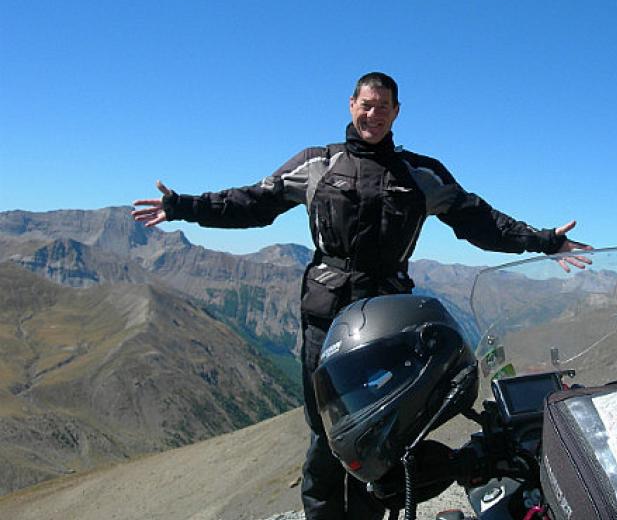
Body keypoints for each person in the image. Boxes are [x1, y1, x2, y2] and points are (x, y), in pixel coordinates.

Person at [131, 71, 587, 520]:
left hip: (386, 326)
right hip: (324, 322)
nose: (374, 114)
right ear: (351, 106)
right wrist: (182, 206)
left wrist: (544, 240)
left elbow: (479, 220)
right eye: (366, 105)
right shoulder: (317, 164)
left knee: (384, 430)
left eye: (383, 107)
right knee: (326, 431)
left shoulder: (421, 174)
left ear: (396, 113)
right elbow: (253, 202)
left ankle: (373, 513)